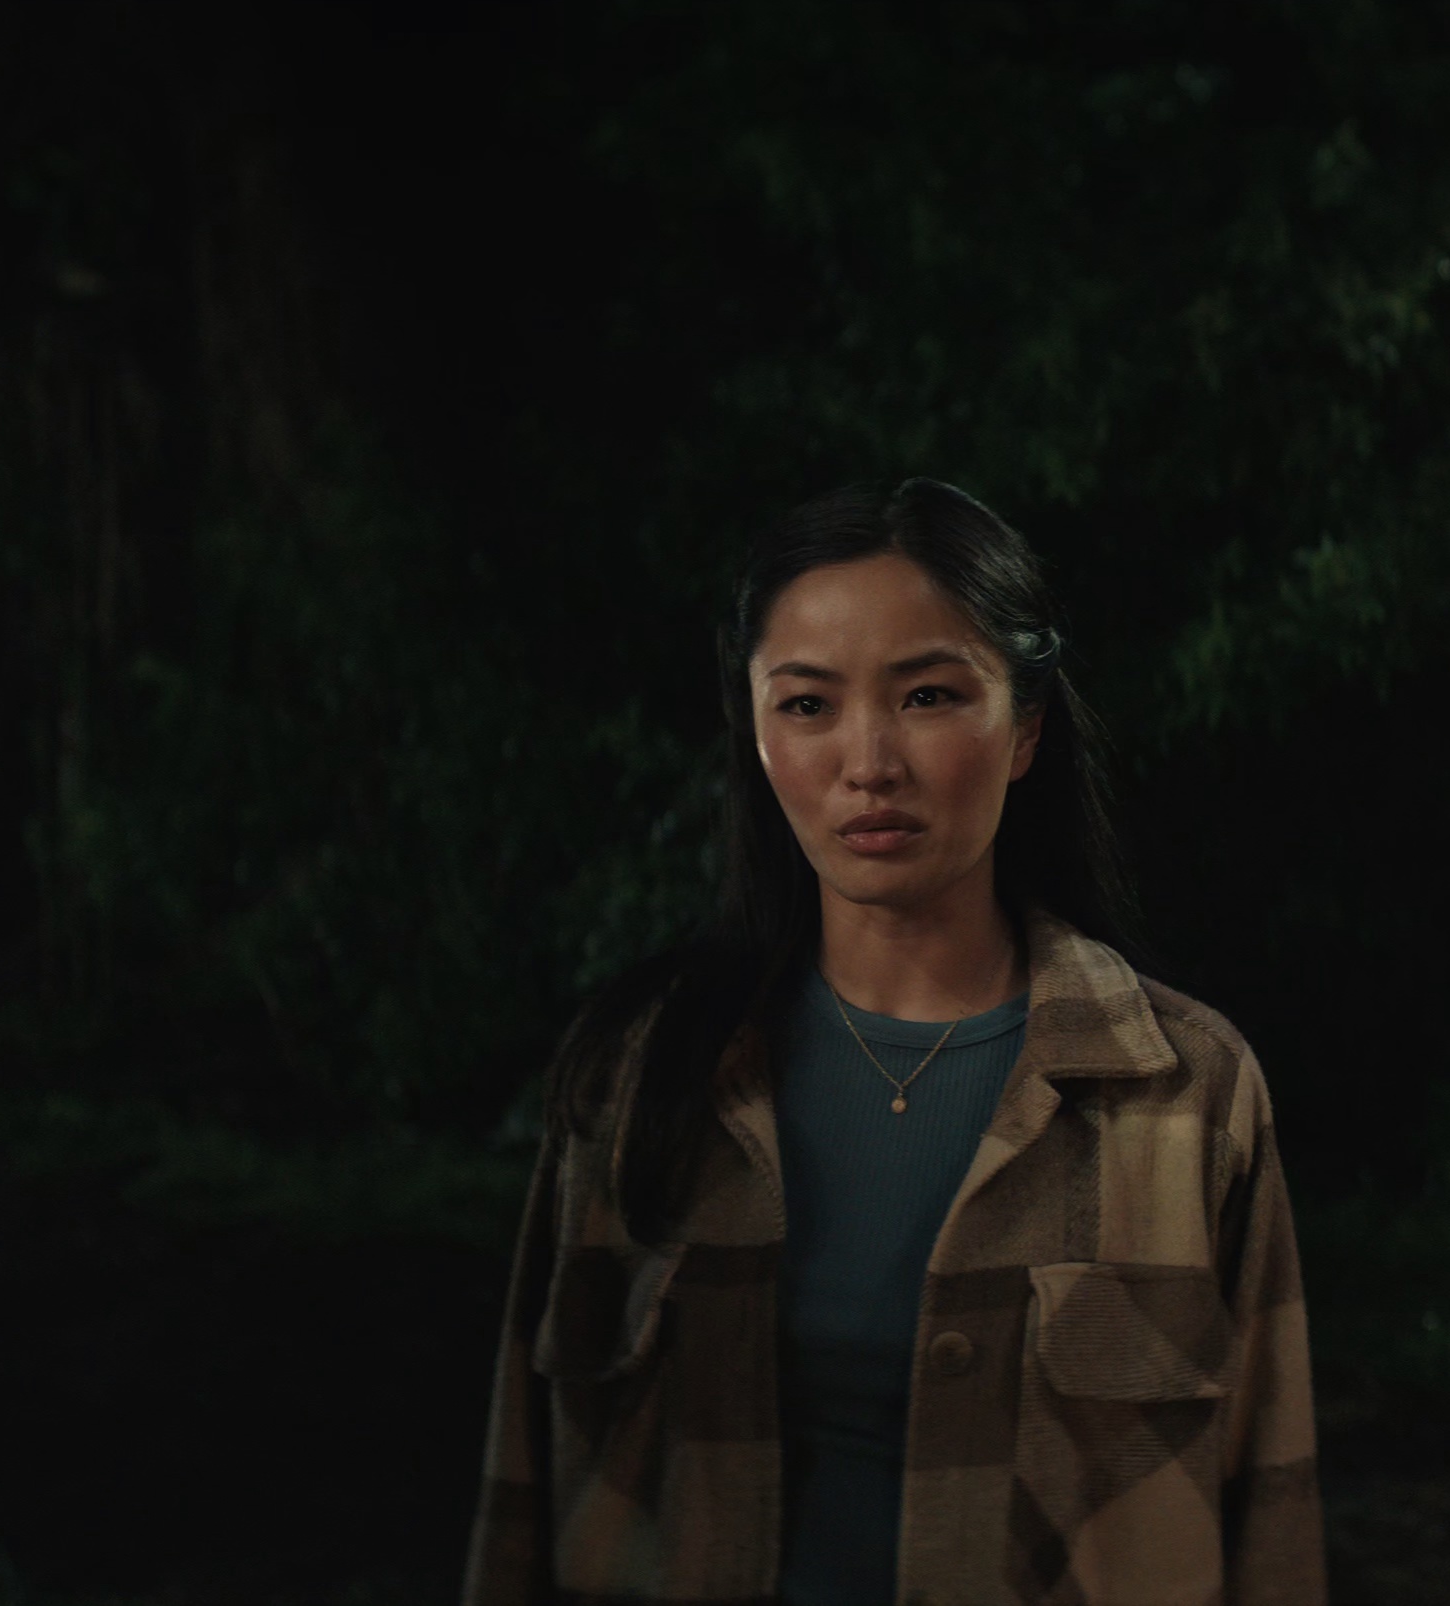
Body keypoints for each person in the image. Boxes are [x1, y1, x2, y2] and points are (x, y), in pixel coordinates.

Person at [464, 480, 1323, 1606]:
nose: (869, 762)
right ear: (755, 733)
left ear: (1025, 727)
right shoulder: (639, 1074)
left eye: (927, 695)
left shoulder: (1182, 1093)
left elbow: (1273, 1519)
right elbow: (522, 1497)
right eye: (808, 704)